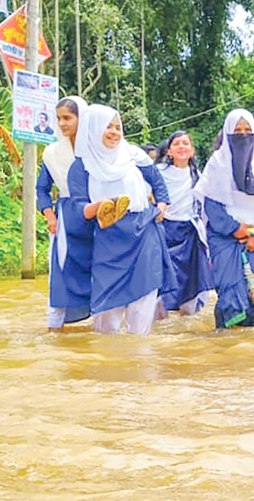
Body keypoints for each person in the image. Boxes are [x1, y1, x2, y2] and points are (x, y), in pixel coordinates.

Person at [64, 104, 175, 335]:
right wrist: (99, 206)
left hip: (144, 232)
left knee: (142, 309)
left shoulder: (134, 155)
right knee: (107, 319)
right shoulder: (81, 166)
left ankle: (139, 365)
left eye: (117, 127)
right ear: (93, 129)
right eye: (107, 127)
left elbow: (159, 185)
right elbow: (78, 209)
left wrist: (161, 207)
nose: (114, 132)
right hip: (108, 238)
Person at [194, 109, 254, 329]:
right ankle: (226, 342)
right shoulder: (217, 164)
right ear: (227, 133)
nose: (242, 135)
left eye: (247, 130)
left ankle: (249, 342)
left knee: (253, 289)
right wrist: (234, 228)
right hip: (224, 237)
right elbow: (211, 204)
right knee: (229, 288)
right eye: (237, 131)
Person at [37, 96, 92, 331]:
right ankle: (54, 330)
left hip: (97, 219)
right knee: (59, 274)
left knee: (101, 272)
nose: (62, 123)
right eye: (58, 118)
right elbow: (42, 188)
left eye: (67, 118)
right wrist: (50, 216)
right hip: (66, 221)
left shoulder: (97, 150)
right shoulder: (52, 154)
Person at [155, 130, 214, 316]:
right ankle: (160, 321)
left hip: (190, 232)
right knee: (162, 279)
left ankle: (187, 326)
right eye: (177, 144)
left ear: (192, 151)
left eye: (186, 143)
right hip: (164, 230)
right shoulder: (158, 173)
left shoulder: (198, 175)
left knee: (192, 280)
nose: (182, 147)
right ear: (169, 152)